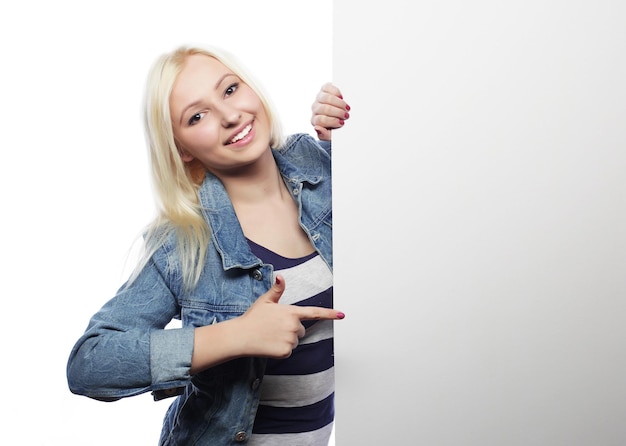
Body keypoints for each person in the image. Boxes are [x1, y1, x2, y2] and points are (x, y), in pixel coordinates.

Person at [66, 44, 350, 446]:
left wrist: (346, 136)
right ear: (181, 148)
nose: (231, 116)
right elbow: (89, 364)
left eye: (230, 90)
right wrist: (236, 336)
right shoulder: (181, 244)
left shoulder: (318, 164)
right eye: (197, 116)